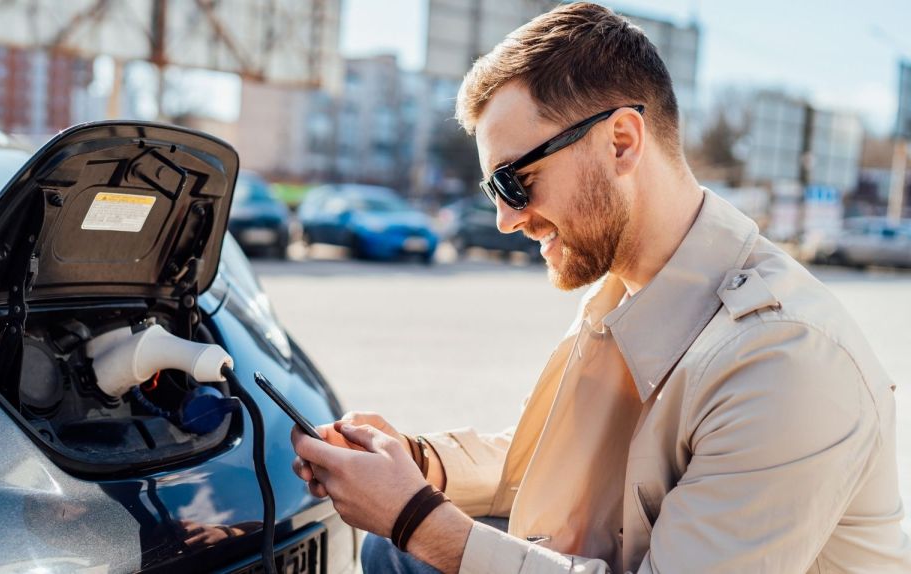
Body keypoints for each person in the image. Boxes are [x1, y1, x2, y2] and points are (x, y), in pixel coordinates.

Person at [290, 3, 911, 572]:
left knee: (407, 546)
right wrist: (418, 463)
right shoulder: (635, 284)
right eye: (493, 192)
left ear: (620, 142)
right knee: (393, 550)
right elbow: (562, 464)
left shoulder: (786, 358)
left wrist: (415, 517)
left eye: (513, 180)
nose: (505, 219)